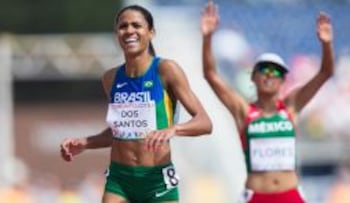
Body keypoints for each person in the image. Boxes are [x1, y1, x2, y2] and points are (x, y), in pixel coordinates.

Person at [60, 4, 212, 203]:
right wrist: (86, 142)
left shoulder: (166, 70)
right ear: (117, 34)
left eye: (136, 25)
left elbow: (205, 122)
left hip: (156, 179)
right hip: (119, 179)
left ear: (151, 32)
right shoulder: (110, 78)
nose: (129, 30)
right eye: (123, 26)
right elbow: (120, 131)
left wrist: (173, 129)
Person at [201, 1, 334, 203]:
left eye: (276, 72)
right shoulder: (243, 110)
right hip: (256, 196)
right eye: (263, 70)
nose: (269, 75)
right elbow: (210, 74)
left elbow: (325, 73)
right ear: (253, 77)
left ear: (283, 80)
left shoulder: (292, 106)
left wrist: (326, 44)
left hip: (290, 195)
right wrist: (207, 38)